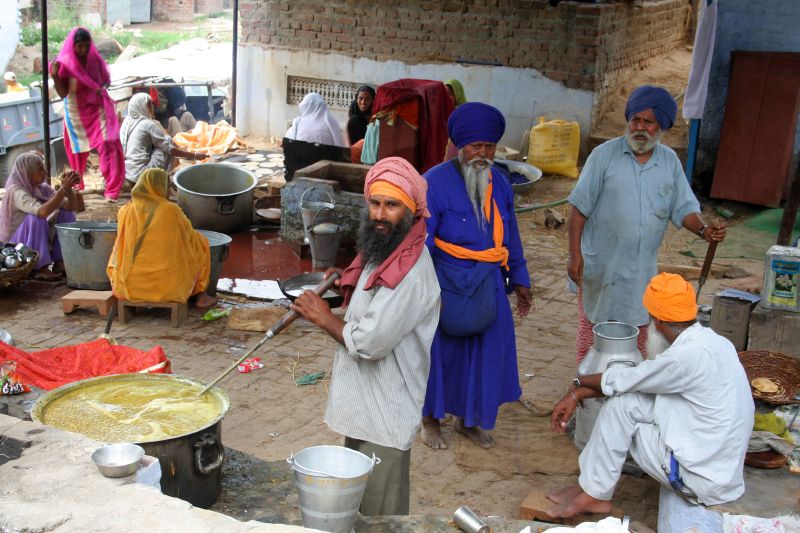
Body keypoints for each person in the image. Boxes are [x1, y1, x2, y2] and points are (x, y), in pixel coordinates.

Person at [291, 157, 440, 515]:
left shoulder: (413, 272)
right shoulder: (386, 249)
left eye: (392, 205)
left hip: (386, 415)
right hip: (365, 407)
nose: (380, 214)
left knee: (380, 517)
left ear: (411, 210)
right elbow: (370, 298)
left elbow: (371, 342)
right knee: (356, 508)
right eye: (375, 203)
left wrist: (324, 318)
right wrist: (344, 281)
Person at [547, 273, 754, 518]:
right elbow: (632, 382)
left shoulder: (683, 358)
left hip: (699, 481)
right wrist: (578, 393)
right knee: (628, 402)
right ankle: (590, 488)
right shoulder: (714, 342)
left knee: (620, 407)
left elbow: (623, 380)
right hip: (719, 470)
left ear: (657, 320)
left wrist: (576, 388)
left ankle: (595, 494)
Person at [567, 85, 726, 365]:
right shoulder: (603, 156)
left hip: (640, 268)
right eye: (635, 120)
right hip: (602, 264)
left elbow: (684, 208)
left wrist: (704, 230)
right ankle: (584, 390)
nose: (639, 128)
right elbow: (579, 209)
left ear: (661, 125)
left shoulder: (669, 162)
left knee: (637, 331)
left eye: (648, 122)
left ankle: (628, 388)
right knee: (593, 331)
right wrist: (574, 255)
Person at [421, 102, 532, 450]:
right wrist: (422, 291)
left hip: (490, 282)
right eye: (475, 147)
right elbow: (421, 244)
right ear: (459, 146)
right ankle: (430, 420)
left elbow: (511, 233)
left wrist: (521, 277)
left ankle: (468, 421)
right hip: (446, 284)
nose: (482, 154)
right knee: (441, 353)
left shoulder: (500, 182)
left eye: (489, 146)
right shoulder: (433, 183)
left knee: (486, 351)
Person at [107, 168, 216, 308]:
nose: (168, 190)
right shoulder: (170, 209)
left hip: (130, 288)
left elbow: (120, 245)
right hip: (168, 289)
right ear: (159, 186)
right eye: (167, 186)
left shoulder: (125, 210)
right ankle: (202, 296)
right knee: (201, 243)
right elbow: (189, 236)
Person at [50, 27, 125, 202]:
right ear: (73, 46)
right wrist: (55, 77)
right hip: (76, 111)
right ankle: (77, 185)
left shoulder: (95, 60)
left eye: (86, 46)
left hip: (96, 108)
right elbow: (62, 94)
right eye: (80, 46)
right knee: (78, 151)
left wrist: (99, 88)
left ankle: (112, 188)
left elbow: (105, 81)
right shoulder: (64, 63)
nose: (84, 50)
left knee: (109, 142)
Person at [0, 152, 80, 281]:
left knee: (67, 214)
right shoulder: (16, 192)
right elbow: (42, 212)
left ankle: (60, 261)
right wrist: (63, 188)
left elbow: (71, 207)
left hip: (36, 232)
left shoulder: (42, 188)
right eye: (40, 169)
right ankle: (39, 267)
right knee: (37, 218)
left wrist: (69, 188)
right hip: (16, 243)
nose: (45, 172)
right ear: (28, 172)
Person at [120, 93, 205, 183]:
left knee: (163, 142)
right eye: (149, 105)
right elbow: (170, 149)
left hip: (129, 173)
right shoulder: (147, 124)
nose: (152, 108)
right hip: (141, 175)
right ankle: (160, 177)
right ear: (142, 106)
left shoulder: (127, 123)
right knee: (167, 141)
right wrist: (195, 155)